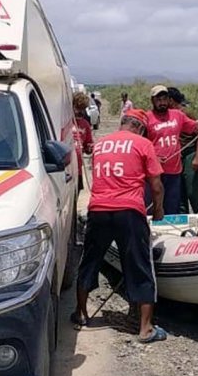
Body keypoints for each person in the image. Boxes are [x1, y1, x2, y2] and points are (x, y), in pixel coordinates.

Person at [72, 109, 167, 343]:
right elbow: (156, 184)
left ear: (123, 123)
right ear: (140, 128)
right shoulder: (143, 144)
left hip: (99, 209)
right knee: (141, 265)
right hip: (129, 211)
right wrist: (158, 209)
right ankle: (145, 329)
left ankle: (81, 313)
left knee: (89, 260)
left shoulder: (101, 144)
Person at [145, 85, 198, 215]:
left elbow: (197, 129)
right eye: (158, 99)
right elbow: (140, 143)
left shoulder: (178, 115)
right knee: (154, 204)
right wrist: (153, 157)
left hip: (174, 171)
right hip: (155, 171)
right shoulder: (147, 118)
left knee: (173, 204)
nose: (162, 102)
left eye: (165, 99)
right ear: (152, 101)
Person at [168, 87, 198, 213]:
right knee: (179, 193)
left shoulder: (185, 113)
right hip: (176, 157)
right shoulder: (167, 116)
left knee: (192, 190)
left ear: (171, 100)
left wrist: (197, 157)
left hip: (189, 154)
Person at [72, 91, 94, 191]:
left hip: (78, 168)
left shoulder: (85, 124)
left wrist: (89, 148)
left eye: (83, 109)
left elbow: (88, 144)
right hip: (67, 169)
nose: (80, 112)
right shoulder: (66, 121)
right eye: (78, 108)